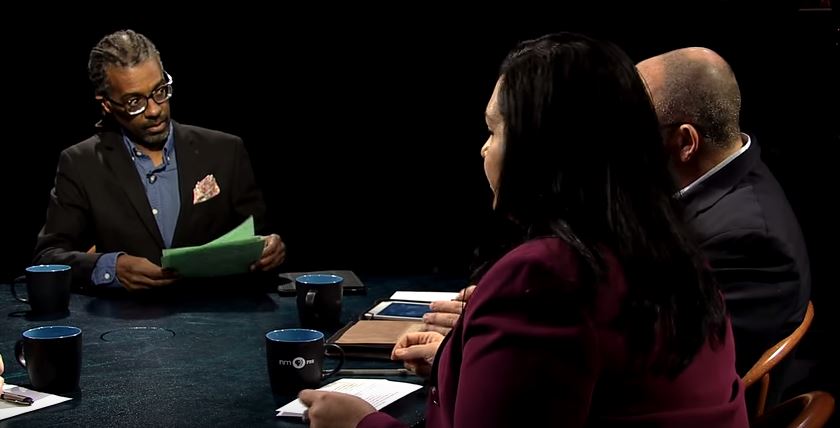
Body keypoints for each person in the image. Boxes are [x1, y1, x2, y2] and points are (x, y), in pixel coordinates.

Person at [298, 32, 748, 427]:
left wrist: (359, 423)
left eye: (494, 130)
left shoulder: (546, 276)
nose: (483, 150)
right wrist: (461, 362)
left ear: (541, 149)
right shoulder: (679, 254)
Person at [33, 30, 286, 291]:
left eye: (160, 91)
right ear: (107, 105)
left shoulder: (225, 151)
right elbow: (47, 258)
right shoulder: (80, 164)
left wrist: (271, 250)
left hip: (218, 320)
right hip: (126, 325)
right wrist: (110, 268)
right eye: (134, 102)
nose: (154, 110)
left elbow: (259, 239)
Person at [636, 48, 811, 379]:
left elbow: (680, 365)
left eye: (633, 128)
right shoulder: (721, 174)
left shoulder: (748, 241)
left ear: (686, 142)